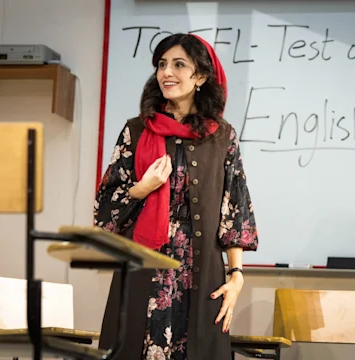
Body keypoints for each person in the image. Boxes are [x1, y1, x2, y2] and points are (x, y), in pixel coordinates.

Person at [94, 33, 258, 360]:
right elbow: (104, 209)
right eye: (162, 65)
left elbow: (234, 208)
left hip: (201, 266)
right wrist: (143, 187)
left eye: (179, 65)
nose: (167, 72)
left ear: (200, 76)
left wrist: (236, 275)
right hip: (144, 263)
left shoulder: (221, 135)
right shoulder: (136, 130)